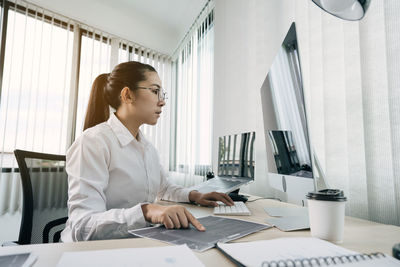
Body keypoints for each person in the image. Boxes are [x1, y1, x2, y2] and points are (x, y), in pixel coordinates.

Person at [61, 61, 234, 242]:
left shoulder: (147, 148)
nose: (162, 101)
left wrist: (196, 195)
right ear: (127, 95)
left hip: (135, 241)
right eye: (154, 91)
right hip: (91, 252)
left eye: (162, 93)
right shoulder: (93, 142)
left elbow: (164, 188)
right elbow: (83, 226)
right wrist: (147, 211)